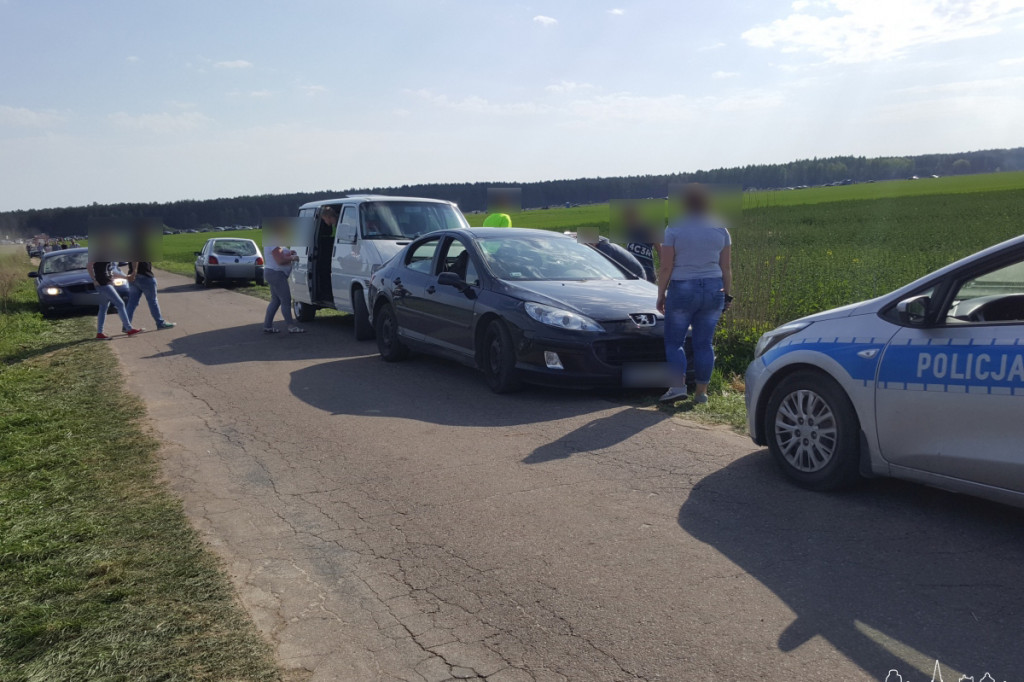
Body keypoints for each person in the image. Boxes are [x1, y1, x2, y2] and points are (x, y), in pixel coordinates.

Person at [655, 184, 733, 404]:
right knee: (704, 343)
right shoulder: (721, 228)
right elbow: (726, 267)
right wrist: (726, 294)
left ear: (685, 204)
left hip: (683, 287)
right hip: (714, 288)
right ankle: (701, 393)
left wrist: (661, 294)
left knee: (674, 342)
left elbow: (666, 267)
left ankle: (677, 387)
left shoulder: (674, 228)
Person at [262, 220, 304, 333]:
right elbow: (280, 260)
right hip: (276, 274)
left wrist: (289, 253)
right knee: (286, 300)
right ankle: (291, 326)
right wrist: (293, 258)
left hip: (273, 273)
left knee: (276, 300)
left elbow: (279, 256)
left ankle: (267, 326)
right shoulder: (274, 242)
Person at [88, 259, 141, 339]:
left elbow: (112, 272)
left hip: (107, 283)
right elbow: (89, 265)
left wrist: (126, 277)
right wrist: (94, 279)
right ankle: (129, 329)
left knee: (103, 308)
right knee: (120, 304)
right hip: (103, 285)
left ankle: (99, 333)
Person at [127, 260, 176, 330]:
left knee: (132, 302)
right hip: (144, 276)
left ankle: (126, 325)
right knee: (152, 301)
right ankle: (160, 323)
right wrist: (134, 271)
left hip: (133, 278)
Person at [623, 203, 661, 283]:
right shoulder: (629, 231)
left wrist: (662, 270)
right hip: (633, 274)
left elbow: (660, 251)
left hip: (648, 273)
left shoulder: (650, 229)